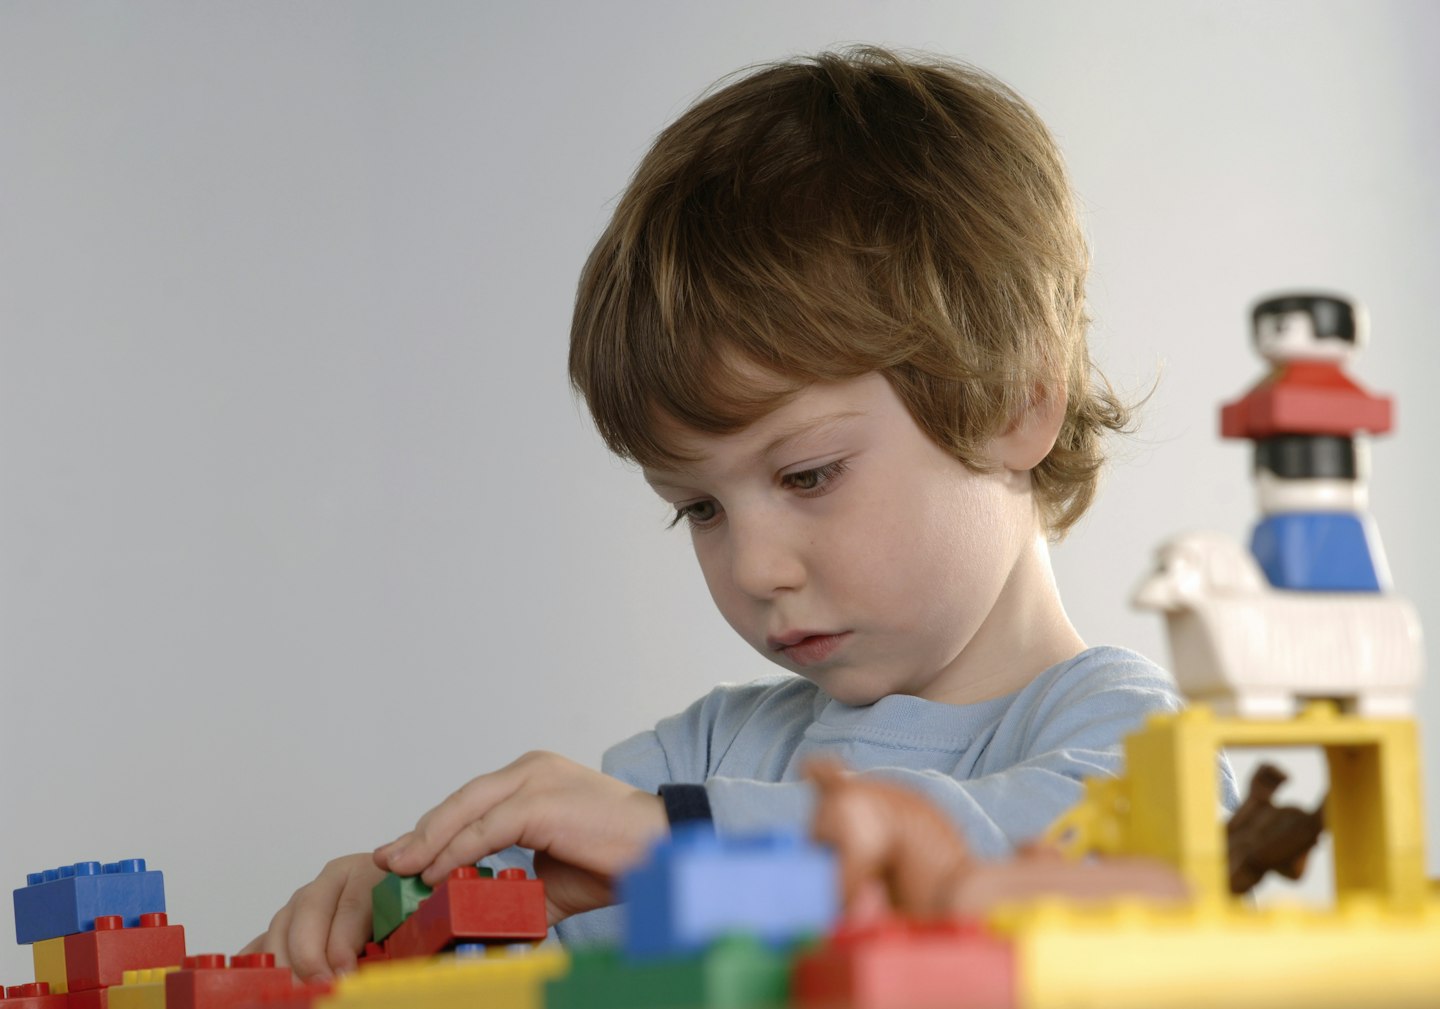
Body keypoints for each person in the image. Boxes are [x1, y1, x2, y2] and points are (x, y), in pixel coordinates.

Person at [245, 46, 1227, 980]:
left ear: (1017, 404)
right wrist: (411, 911)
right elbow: (547, 944)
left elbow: (1093, 871)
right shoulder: (703, 756)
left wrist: (686, 839)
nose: (754, 567)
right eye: (700, 508)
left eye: (806, 476)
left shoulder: (1127, 740)